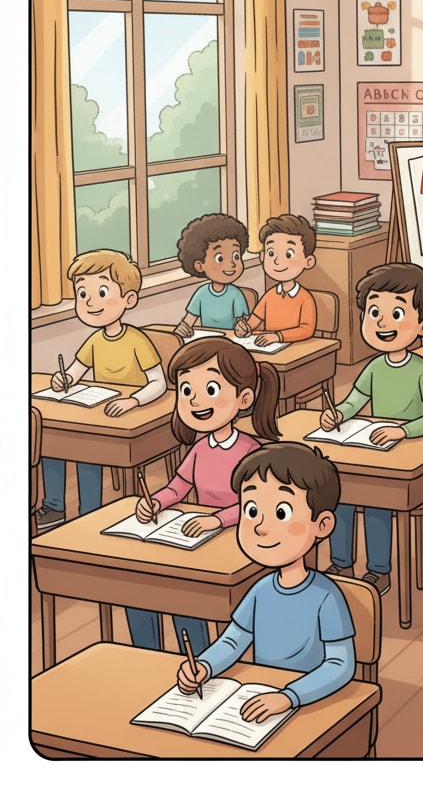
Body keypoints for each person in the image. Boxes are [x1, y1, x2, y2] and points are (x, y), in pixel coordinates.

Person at [177, 442, 356, 719]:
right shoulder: (261, 590)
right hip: (261, 694)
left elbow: (341, 664)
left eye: (281, 513)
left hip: (309, 702)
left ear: (322, 525)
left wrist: (290, 696)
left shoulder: (326, 596)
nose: (260, 526)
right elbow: (233, 642)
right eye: (251, 511)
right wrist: (204, 666)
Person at [126, 336, 281, 654]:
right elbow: (178, 486)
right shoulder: (199, 448)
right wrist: (157, 501)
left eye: (210, 390)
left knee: (189, 592)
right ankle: (147, 654)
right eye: (186, 391)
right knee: (143, 583)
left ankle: (199, 656)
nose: (195, 401)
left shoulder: (251, 452)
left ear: (244, 398)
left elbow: (256, 505)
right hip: (198, 536)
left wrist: (218, 520)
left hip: (240, 537)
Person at [319, 263, 423, 595]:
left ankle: (379, 569)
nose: (381, 322)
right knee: (341, 495)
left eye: (395, 313)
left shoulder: (421, 370)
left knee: (377, 503)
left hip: (405, 452)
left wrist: (403, 431)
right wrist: (338, 416)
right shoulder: (375, 367)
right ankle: (341, 562)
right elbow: (354, 401)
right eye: (374, 311)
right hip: (372, 448)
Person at [38, 249, 167, 530]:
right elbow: (75, 371)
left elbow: (159, 383)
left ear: (128, 299)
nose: (90, 303)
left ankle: (90, 512)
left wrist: (134, 400)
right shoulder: (95, 340)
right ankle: (54, 506)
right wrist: (64, 380)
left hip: (125, 413)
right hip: (97, 408)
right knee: (51, 441)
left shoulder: (136, 340)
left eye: (101, 292)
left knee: (89, 450)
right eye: (82, 294)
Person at [235, 213, 317, 345]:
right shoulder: (270, 296)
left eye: (289, 254)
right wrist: (245, 327)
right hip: (271, 349)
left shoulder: (305, 298)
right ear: (262, 257)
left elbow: (306, 329)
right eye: (271, 253)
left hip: (295, 348)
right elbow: (255, 319)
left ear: (308, 261)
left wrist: (278, 336)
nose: (277, 261)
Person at [173, 213, 250, 338]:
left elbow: (241, 323)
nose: (231, 263)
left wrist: (242, 328)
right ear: (199, 265)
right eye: (220, 258)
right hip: (208, 343)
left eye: (235, 256)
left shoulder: (236, 295)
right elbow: (187, 322)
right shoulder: (201, 294)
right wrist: (182, 329)